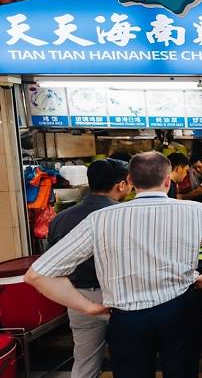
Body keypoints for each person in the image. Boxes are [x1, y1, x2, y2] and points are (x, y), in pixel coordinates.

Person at [25, 151, 202, 378]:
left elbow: (37, 275)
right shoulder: (195, 211)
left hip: (127, 318)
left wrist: (87, 307)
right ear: (167, 181)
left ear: (131, 182)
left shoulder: (101, 218)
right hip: (180, 311)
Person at [46, 159, 130, 378]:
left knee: (85, 361)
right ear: (121, 185)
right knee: (130, 358)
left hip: (79, 298)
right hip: (121, 296)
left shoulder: (60, 219)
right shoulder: (124, 217)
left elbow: (52, 264)